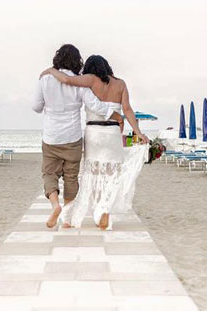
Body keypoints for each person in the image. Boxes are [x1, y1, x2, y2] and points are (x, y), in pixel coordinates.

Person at [41, 55, 149, 230]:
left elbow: (67, 79)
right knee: (111, 174)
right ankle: (103, 209)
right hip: (113, 133)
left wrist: (51, 70)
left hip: (94, 133)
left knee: (92, 174)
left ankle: (72, 217)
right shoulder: (120, 84)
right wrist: (139, 133)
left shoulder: (90, 80)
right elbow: (127, 110)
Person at [32, 44, 124, 228]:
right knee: (71, 177)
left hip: (51, 136)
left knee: (49, 173)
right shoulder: (79, 82)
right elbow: (96, 105)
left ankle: (54, 204)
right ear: (77, 61)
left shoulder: (45, 79)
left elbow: (36, 107)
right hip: (73, 137)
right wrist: (117, 116)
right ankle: (66, 219)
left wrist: (49, 105)